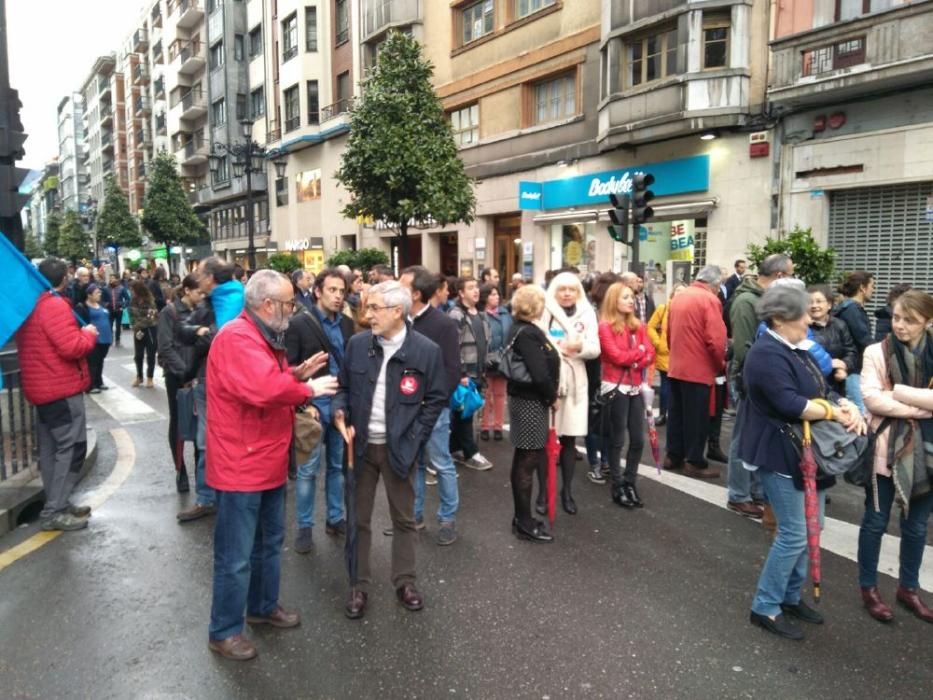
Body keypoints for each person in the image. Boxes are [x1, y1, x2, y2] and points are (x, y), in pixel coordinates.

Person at [205, 270, 338, 661]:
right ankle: (224, 630)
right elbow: (261, 389)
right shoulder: (238, 337)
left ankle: (262, 607)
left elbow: (263, 380)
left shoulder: (259, 335)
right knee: (236, 556)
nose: (292, 310)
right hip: (241, 464)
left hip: (262, 459)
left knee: (266, 544)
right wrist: (306, 388)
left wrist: (294, 375)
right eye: (287, 304)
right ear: (267, 305)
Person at [742, 284, 865, 640]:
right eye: (803, 317)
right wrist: (837, 414)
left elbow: (822, 389)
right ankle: (765, 606)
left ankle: (790, 596)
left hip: (808, 451)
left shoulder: (797, 348)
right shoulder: (766, 353)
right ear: (780, 319)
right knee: (795, 533)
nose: (809, 323)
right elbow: (791, 404)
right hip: (780, 451)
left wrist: (848, 405)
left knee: (813, 527)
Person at [334, 281, 447, 620]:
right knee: (358, 520)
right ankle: (359, 584)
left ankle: (405, 581)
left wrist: (415, 438)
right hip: (361, 447)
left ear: (397, 312)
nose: (367, 315)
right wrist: (339, 411)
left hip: (401, 449)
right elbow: (342, 387)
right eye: (367, 308)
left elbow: (436, 398)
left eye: (374, 309)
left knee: (404, 519)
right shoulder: (356, 345)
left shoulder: (426, 350)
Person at [858, 289, 933, 624]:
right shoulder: (877, 351)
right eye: (897, 317)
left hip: (927, 455)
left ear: (928, 323)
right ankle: (869, 588)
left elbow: (888, 397)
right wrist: (924, 405)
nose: (900, 326)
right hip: (886, 450)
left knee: (916, 527)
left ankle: (908, 589)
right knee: (875, 522)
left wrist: (899, 392)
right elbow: (873, 400)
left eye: (910, 320)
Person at [16, 259, 97, 531]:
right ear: (64, 278)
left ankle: (58, 502)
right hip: (60, 390)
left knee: (52, 450)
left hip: (44, 390)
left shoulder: (34, 306)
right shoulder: (54, 306)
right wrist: (88, 335)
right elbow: (71, 347)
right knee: (71, 448)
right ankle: (54, 510)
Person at [284, 268, 355, 554]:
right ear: (318, 292)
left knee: (337, 467)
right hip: (312, 407)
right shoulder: (299, 324)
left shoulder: (348, 325)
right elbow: (289, 370)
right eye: (332, 290)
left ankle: (335, 518)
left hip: (340, 406)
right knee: (308, 471)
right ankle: (304, 526)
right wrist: (304, 404)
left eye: (342, 291)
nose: (338, 296)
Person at [725, 254, 795, 516]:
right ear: (779, 276)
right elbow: (743, 350)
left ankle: (754, 491)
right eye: (790, 274)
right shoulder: (746, 301)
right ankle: (738, 494)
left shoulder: (763, 299)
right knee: (743, 436)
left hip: (762, 379)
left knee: (757, 434)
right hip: (749, 379)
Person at [177, 257, 244, 523]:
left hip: (225, 378)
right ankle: (209, 496)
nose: (198, 277)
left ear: (211, 278)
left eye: (201, 273)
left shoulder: (235, 300)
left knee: (211, 439)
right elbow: (183, 331)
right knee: (208, 440)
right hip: (214, 378)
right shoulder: (214, 301)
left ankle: (215, 495)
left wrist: (202, 334)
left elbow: (219, 337)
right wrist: (198, 330)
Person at [399, 266, 462, 545]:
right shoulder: (399, 321)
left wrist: (433, 403)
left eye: (401, 286)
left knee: (441, 463)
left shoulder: (443, 324)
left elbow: (451, 370)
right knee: (415, 463)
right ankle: (415, 516)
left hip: (434, 409)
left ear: (415, 293)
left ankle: (447, 519)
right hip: (405, 406)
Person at [541, 271, 600, 514]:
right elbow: (536, 340)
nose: (566, 294)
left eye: (572, 289)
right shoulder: (544, 310)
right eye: (562, 289)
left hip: (576, 381)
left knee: (569, 440)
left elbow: (595, 347)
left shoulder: (587, 312)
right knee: (544, 441)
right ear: (554, 291)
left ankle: (566, 492)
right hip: (550, 380)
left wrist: (580, 347)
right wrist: (555, 349)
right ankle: (544, 494)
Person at [506, 285, 560, 542]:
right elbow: (539, 373)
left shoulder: (519, 328)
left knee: (523, 459)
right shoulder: (527, 332)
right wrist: (552, 397)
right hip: (530, 402)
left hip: (524, 400)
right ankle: (525, 522)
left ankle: (521, 518)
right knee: (527, 461)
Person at [664, 266, 727, 479]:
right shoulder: (709, 300)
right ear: (715, 285)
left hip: (677, 364)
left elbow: (669, 333)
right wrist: (720, 364)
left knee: (677, 414)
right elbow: (716, 341)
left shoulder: (679, 298)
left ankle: (674, 455)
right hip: (698, 367)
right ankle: (694, 461)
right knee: (697, 418)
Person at [598, 282, 654, 508]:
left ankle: (630, 482)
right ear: (614, 301)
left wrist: (637, 355)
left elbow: (650, 353)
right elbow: (615, 357)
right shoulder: (604, 326)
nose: (631, 300)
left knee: (638, 440)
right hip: (615, 386)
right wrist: (638, 354)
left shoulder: (638, 325)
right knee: (617, 438)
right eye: (625, 297)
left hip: (635, 387)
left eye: (631, 297)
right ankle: (617, 485)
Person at [157, 274, 203, 493]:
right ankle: (180, 470)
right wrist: (184, 371)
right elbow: (165, 347)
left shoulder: (201, 312)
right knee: (178, 422)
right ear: (187, 290)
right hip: (178, 377)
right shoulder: (170, 312)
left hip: (199, 375)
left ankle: (199, 469)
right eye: (198, 292)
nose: (202, 296)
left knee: (200, 423)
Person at [447, 276, 493, 470]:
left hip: (479, 371)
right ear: (461, 293)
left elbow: (485, 343)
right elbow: (452, 346)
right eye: (471, 288)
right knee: (465, 413)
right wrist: (461, 372)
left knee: (463, 413)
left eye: (477, 287)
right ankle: (471, 452)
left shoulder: (481, 314)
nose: (476, 291)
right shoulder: (456, 314)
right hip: (464, 374)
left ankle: (455, 448)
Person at [585, 272, 620, 483]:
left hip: (612, 375)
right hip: (595, 373)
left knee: (610, 421)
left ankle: (605, 460)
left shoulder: (617, 314)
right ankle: (596, 462)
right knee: (595, 418)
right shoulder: (591, 313)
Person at [834, 270, 876, 413]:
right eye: (872, 286)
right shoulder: (852, 310)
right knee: (859, 411)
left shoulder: (849, 308)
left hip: (851, 367)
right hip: (852, 369)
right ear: (862, 288)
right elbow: (863, 339)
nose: (873, 290)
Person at [647, 282, 686, 428]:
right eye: (678, 291)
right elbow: (650, 326)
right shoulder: (663, 308)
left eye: (684, 291)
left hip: (682, 354)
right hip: (665, 353)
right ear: (672, 293)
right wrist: (658, 343)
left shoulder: (688, 309)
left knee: (678, 387)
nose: (681, 294)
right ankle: (663, 414)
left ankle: (676, 415)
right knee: (666, 385)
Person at [808, 285, 857, 396]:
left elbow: (851, 351)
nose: (814, 305)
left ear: (829, 304)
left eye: (819, 301)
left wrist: (844, 366)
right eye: (810, 302)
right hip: (812, 385)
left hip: (837, 385)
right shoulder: (802, 327)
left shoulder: (840, 325)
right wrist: (830, 364)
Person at [480, 282, 511, 441]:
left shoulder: (506, 314)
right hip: (486, 359)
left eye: (497, 294)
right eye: (492, 294)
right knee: (486, 394)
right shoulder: (480, 314)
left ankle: (498, 427)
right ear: (485, 296)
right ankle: (484, 426)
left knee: (500, 394)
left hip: (503, 358)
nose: (496, 297)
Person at [76, 283, 112, 394]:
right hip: (94, 339)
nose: (99, 294)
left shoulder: (101, 305)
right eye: (96, 293)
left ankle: (99, 381)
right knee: (92, 363)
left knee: (100, 361)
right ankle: (91, 385)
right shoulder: (83, 307)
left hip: (105, 338)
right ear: (89, 295)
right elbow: (80, 323)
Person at [129, 279, 159, 388]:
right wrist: (135, 326)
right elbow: (131, 315)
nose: (131, 292)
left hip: (150, 329)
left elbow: (151, 316)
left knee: (151, 354)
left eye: (133, 289)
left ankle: (150, 377)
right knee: (138, 355)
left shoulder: (149, 300)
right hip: (138, 330)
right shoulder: (133, 300)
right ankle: (139, 376)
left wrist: (139, 324)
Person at [108, 275, 130, 347]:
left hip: (118, 310)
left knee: (118, 326)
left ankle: (118, 340)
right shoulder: (106, 288)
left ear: (116, 280)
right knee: (110, 325)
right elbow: (102, 300)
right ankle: (110, 340)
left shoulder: (121, 288)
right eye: (110, 279)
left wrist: (123, 306)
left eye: (113, 278)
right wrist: (106, 305)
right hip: (110, 310)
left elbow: (127, 299)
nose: (112, 280)